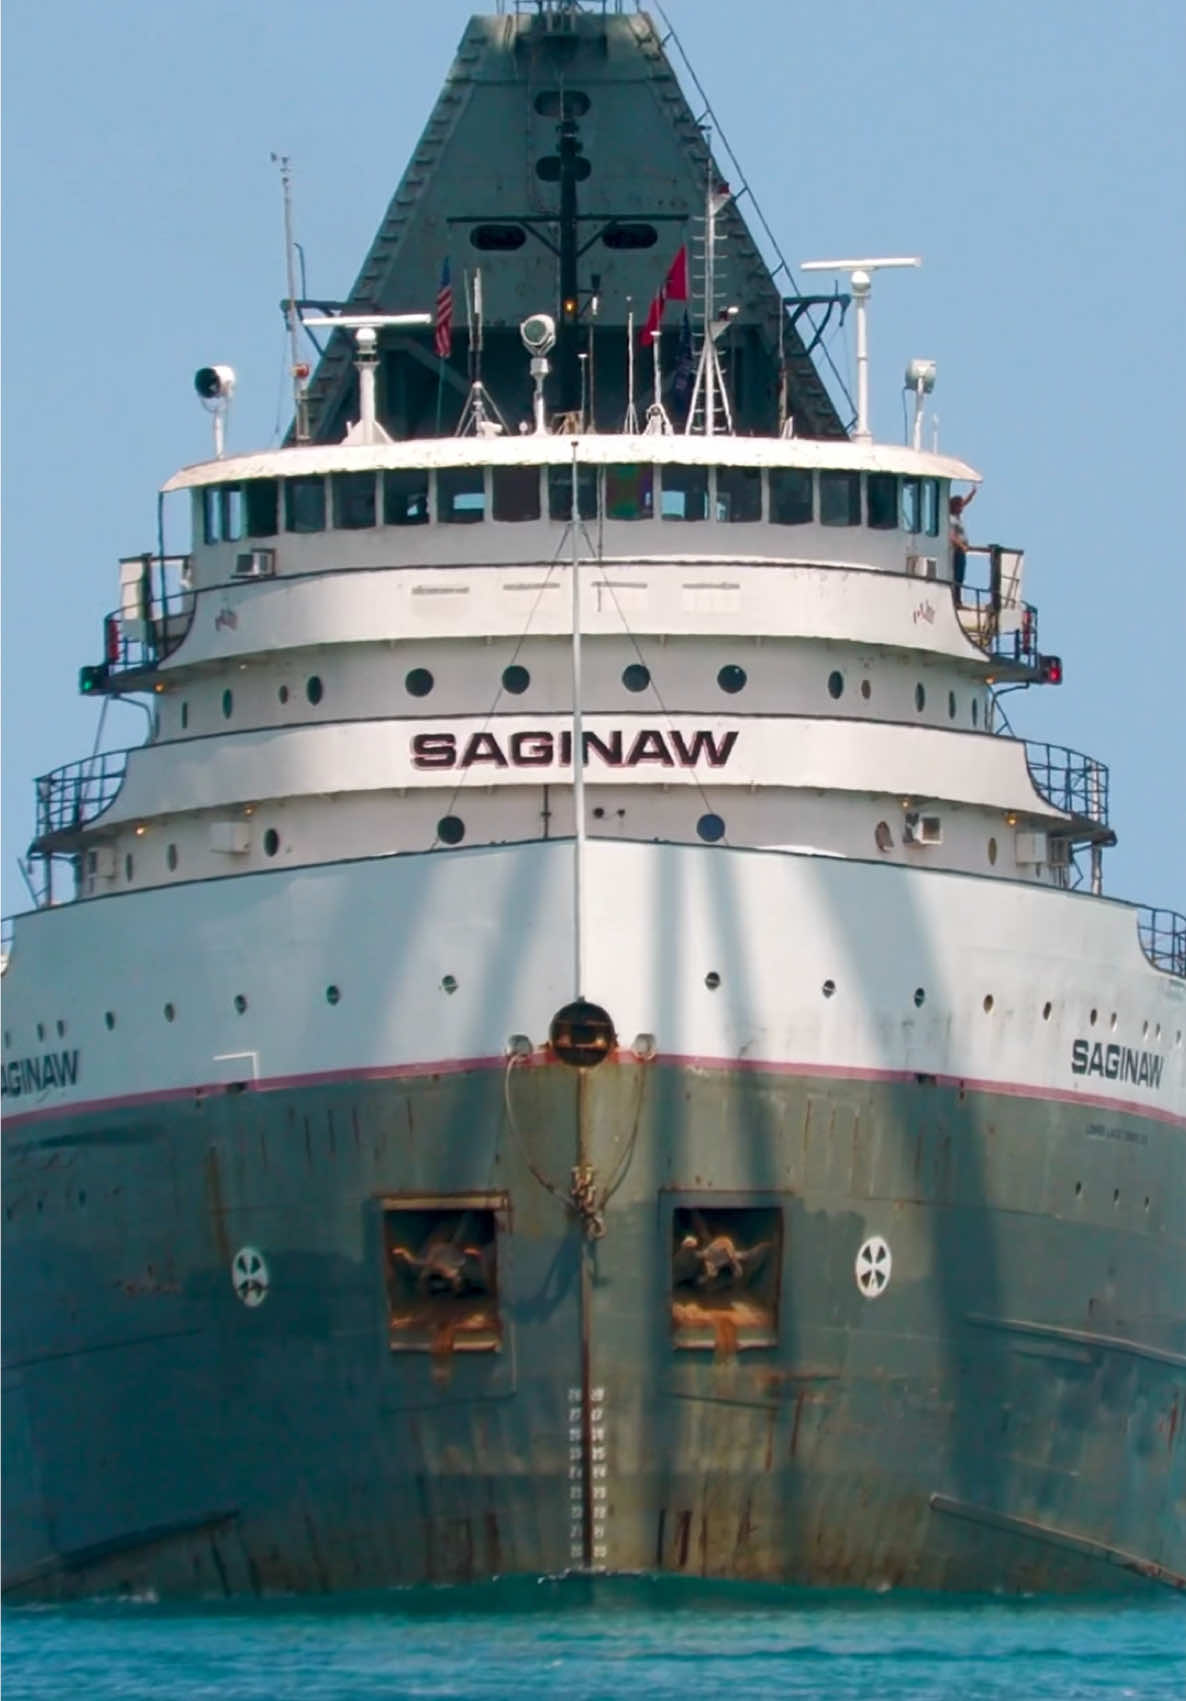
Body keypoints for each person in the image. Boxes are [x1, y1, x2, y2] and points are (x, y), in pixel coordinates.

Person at [949, 486, 978, 591]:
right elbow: (951, 536)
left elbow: (965, 502)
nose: (962, 508)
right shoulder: (951, 519)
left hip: (961, 550)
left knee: (960, 577)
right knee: (957, 576)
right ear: (955, 506)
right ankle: (956, 599)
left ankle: (958, 598)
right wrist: (961, 546)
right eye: (960, 506)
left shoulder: (956, 516)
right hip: (957, 551)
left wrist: (972, 493)